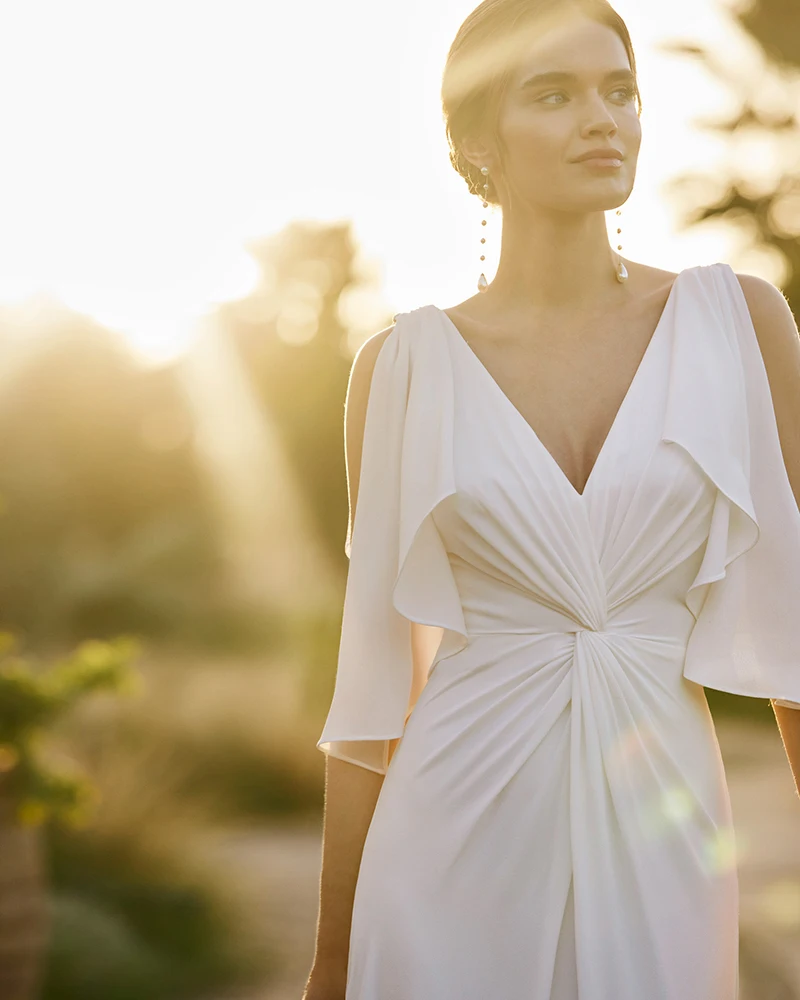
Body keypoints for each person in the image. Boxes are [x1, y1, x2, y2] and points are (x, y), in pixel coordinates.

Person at [305, 1, 800, 997]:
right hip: (448, 820)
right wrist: (328, 959)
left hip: (660, 807)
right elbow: (373, 685)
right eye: (553, 94)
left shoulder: (737, 323)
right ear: (474, 141)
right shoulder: (400, 368)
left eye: (618, 91)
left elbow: (796, 635)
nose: (601, 119)